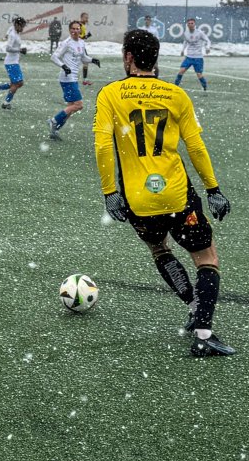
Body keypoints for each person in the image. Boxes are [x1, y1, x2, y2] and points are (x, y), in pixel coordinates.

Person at [94, 29, 235, 358]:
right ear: (155, 58)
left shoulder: (110, 94)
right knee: (206, 257)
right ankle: (203, 331)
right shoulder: (175, 95)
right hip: (175, 194)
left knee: (159, 249)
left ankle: (192, 305)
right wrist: (213, 189)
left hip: (137, 200)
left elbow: (102, 145)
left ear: (129, 58)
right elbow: (195, 146)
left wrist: (109, 192)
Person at [47, 20, 99, 139]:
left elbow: (83, 57)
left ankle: (54, 130)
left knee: (71, 107)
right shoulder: (67, 43)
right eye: (73, 29)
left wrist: (92, 60)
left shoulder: (81, 42)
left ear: (80, 30)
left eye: (77, 29)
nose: (75, 31)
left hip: (74, 77)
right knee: (78, 105)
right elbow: (54, 57)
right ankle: (53, 121)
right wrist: (63, 66)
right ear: (69, 30)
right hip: (67, 78)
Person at [0, 15, 27, 109]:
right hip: (11, 63)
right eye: (22, 26)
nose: (23, 28)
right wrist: (19, 50)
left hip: (13, 62)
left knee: (16, 83)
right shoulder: (13, 35)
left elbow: (10, 29)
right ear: (17, 25)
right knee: (18, 83)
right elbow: (8, 48)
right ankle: (6, 103)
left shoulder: (14, 30)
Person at [174, 17, 210, 91]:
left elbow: (208, 40)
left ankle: (205, 86)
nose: (190, 24)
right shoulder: (186, 33)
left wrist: (207, 48)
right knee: (181, 71)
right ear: (187, 24)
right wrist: (182, 50)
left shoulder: (199, 33)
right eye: (189, 23)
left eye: (192, 23)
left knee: (199, 74)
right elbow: (185, 42)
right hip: (189, 57)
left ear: (194, 24)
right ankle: (175, 86)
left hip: (198, 57)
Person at [79, 11, 93, 85]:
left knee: (85, 62)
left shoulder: (83, 25)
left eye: (87, 18)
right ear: (81, 18)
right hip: (78, 47)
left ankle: (85, 80)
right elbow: (78, 36)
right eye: (85, 17)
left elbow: (81, 37)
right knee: (85, 62)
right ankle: (84, 79)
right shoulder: (80, 25)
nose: (87, 19)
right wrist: (87, 36)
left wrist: (86, 36)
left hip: (81, 46)